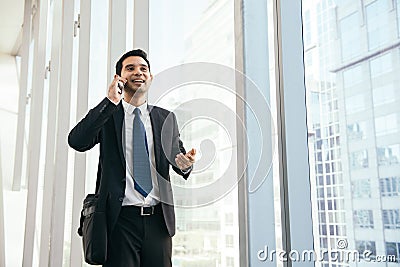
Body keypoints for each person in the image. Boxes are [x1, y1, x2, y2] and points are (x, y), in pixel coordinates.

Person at [68, 49, 196, 267]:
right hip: (119, 221)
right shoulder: (108, 116)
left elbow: (178, 157)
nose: (138, 72)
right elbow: (77, 141)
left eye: (143, 68)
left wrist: (184, 165)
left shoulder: (166, 118)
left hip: (159, 221)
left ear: (151, 77)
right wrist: (109, 101)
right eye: (130, 68)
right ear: (119, 77)